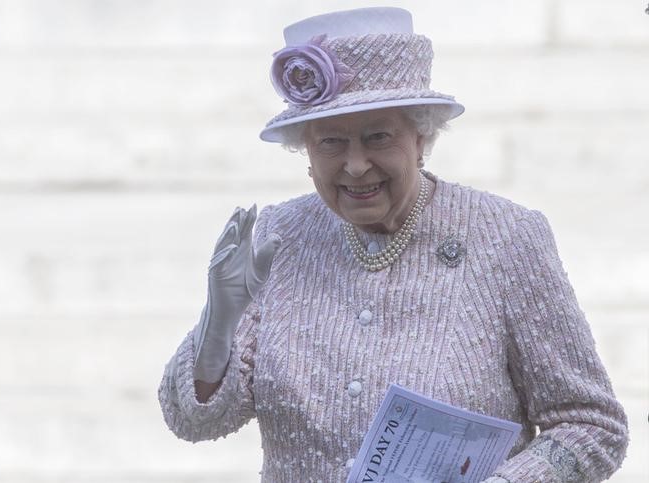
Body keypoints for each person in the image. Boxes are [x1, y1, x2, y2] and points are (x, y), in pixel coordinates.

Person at [158, 7, 629, 482]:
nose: (356, 165)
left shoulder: (506, 238)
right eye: (331, 142)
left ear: (421, 136)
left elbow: (591, 425)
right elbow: (196, 421)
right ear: (305, 149)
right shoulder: (280, 238)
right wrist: (217, 327)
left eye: (378, 137)